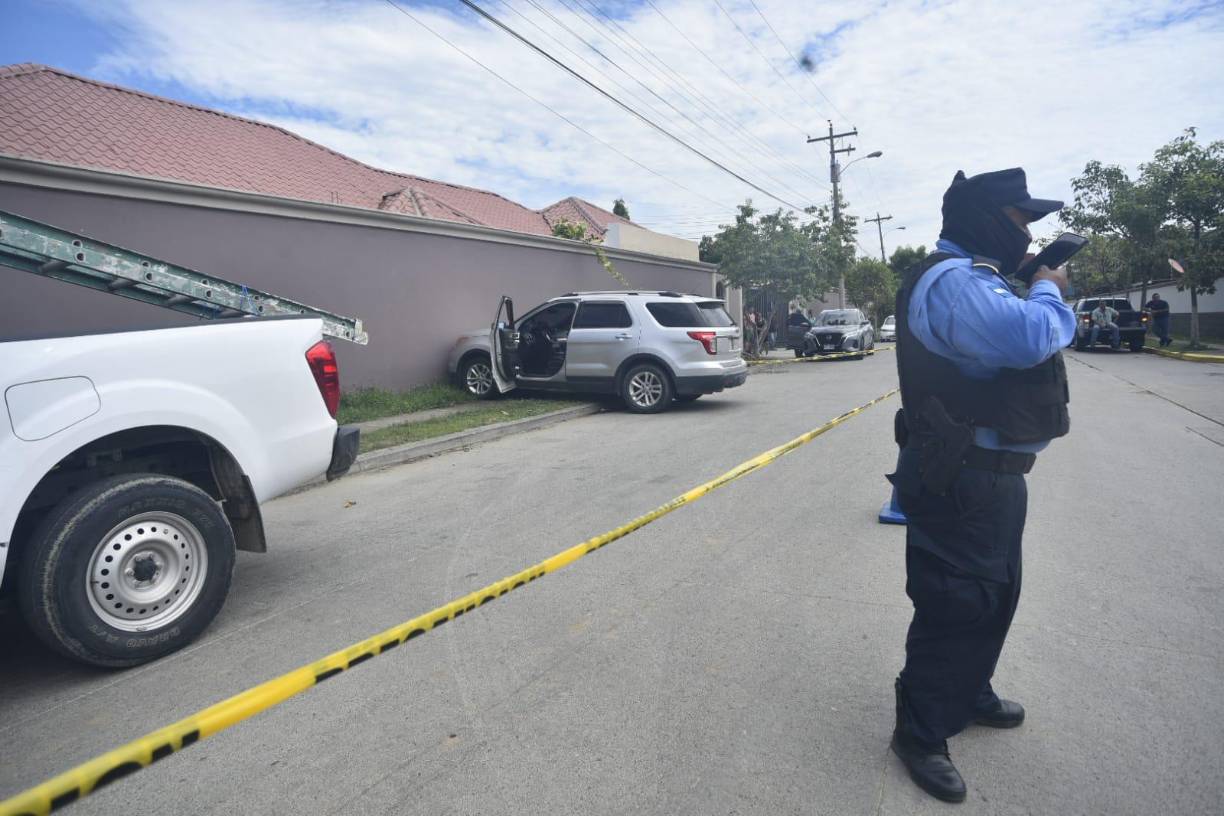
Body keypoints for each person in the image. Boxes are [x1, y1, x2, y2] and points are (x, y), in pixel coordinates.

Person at [888, 168, 1075, 803]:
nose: (1029, 236)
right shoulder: (955, 281)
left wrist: (1027, 284)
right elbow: (1027, 339)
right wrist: (1048, 289)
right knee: (954, 602)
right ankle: (920, 731)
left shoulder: (980, 279)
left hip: (990, 478)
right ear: (989, 220)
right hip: (959, 477)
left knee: (996, 594)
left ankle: (968, 690)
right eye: (1023, 221)